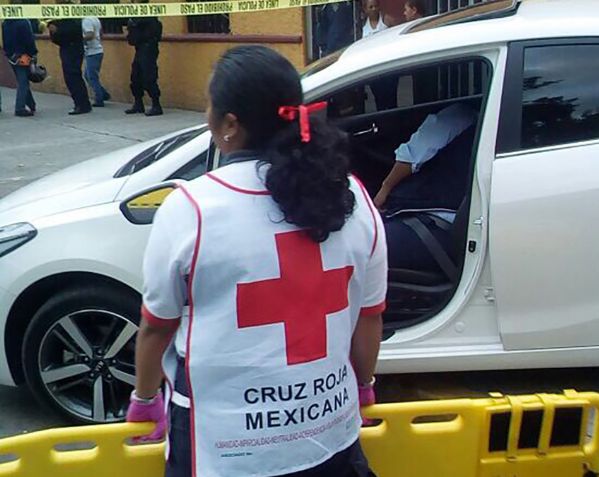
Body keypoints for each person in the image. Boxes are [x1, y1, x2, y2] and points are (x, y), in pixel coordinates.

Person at [127, 45, 386, 477]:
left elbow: (156, 325)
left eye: (208, 106)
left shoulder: (192, 207)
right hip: (329, 435)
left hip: (224, 446)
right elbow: (369, 317)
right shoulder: (353, 195)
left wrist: (145, 396)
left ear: (229, 125)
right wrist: (363, 387)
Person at [373, 103, 476, 273]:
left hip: (438, 223)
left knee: (365, 246)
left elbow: (411, 157)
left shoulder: (457, 116)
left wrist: (385, 189)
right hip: (462, 227)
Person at [48, 4, 92, 115]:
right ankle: (81, 103)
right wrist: (53, 30)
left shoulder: (73, 15)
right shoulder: (61, 16)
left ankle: (82, 105)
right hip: (67, 48)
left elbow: (72, 32)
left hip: (73, 48)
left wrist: (57, 30)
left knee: (73, 76)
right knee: (71, 77)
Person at [125, 2, 162, 116]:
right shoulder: (136, 18)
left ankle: (156, 105)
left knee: (149, 77)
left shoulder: (150, 19)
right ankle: (138, 103)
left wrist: (134, 26)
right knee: (135, 76)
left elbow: (152, 35)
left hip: (148, 49)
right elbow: (132, 38)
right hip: (140, 49)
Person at [2, 12, 38, 117]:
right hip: (24, 55)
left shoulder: (5, 23)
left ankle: (31, 104)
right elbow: (29, 40)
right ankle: (20, 108)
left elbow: (5, 41)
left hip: (12, 56)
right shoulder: (24, 22)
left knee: (23, 79)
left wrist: (8, 54)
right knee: (23, 81)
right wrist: (33, 53)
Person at [82, 14, 110, 107]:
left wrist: (79, 39)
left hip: (92, 52)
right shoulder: (95, 18)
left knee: (92, 77)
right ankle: (103, 93)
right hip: (97, 50)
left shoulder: (86, 21)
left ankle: (99, 98)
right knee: (88, 75)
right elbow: (101, 33)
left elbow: (90, 34)